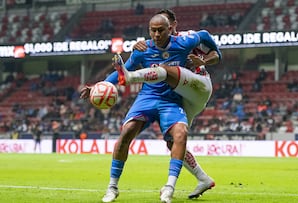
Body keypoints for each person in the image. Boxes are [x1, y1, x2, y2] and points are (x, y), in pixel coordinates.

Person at [80, 14, 213, 203]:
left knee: (180, 135)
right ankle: (112, 187)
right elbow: (122, 72)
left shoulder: (183, 43)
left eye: (161, 30)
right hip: (148, 97)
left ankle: (169, 187)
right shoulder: (142, 49)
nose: (157, 34)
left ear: (170, 28)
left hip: (172, 100)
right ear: (149, 30)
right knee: (127, 132)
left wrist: (208, 57)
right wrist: (97, 86)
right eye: (153, 30)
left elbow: (205, 36)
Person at [123, 8, 221, 198]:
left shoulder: (187, 38)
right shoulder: (157, 44)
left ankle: (130, 78)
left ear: (173, 25)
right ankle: (203, 179)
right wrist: (137, 47)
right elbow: (146, 53)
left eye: (165, 26)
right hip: (184, 95)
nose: (159, 33)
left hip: (199, 85)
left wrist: (202, 60)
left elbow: (217, 55)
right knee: (174, 141)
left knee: (165, 70)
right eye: (155, 29)